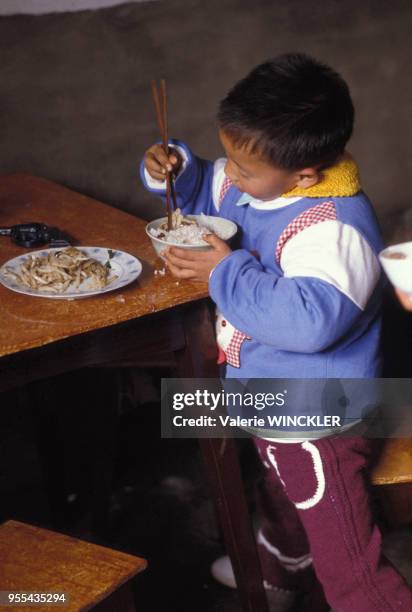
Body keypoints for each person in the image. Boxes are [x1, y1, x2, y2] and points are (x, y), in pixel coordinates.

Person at [141, 53, 412, 611]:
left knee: (349, 558)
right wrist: (177, 172)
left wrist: (224, 271)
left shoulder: (332, 229)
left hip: (321, 418)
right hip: (276, 402)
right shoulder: (259, 179)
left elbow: (308, 322)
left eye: (241, 168)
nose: (229, 175)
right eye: (229, 158)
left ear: (304, 175)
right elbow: (206, 192)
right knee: (283, 491)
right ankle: (280, 576)